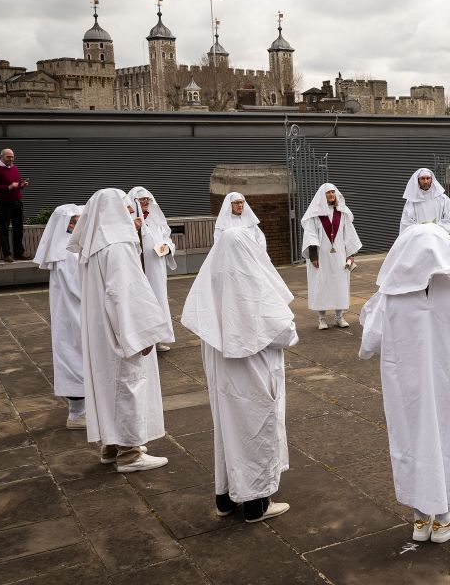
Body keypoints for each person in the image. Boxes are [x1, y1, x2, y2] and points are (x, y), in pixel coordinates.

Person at [359, 224, 450, 544]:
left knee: (410, 443)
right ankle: (442, 518)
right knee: (448, 440)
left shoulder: (389, 297)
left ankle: (419, 519)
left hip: (405, 387)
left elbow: (369, 341)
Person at [181, 227, 297, 523]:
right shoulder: (251, 282)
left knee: (228, 434)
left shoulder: (211, 282)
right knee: (256, 431)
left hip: (224, 378)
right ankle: (257, 502)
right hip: (253, 375)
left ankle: (225, 498)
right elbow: (284, 332)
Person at [68, 189, 174, 473]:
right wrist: (141, 335)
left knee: (106, 385)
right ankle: (130, 452)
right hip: (121, 331)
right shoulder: (119, 246)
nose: (132, 214)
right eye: (128, 209)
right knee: (128, 384)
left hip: (101, 332)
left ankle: (110, 444)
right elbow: (125, 294)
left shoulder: (93, 247)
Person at [33, 204, 86, 429]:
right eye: (78, 219)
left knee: (75, 355)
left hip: (71, 312)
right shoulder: (67, 253)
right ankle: (77, 414)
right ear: (69, 223)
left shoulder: (64, 249)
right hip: (75, 312)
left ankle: (81, 411)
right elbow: (80, 287)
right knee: (76, 357)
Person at [301, 183, 362, 330]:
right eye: (328, 193)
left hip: (339, 255)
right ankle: (322, 319)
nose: (331, 195)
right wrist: (313, 256)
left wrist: (351, 254)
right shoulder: (315, 216)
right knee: (321, 284)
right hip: (321, 256)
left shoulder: (342, 213)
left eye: (333, 193)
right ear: (323, 196)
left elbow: (349, 235)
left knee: (339, 284)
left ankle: (339, 317)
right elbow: (310, 236)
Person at [127, 186, 177, 353]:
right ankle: (143, 340)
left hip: (157, 269)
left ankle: (159, 339)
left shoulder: (156, 220)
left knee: (159, 300)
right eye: (142, 201)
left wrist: (167, 247)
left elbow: (167, 238)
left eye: (147, 200)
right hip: (139, 270)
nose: (146, 203)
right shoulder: (129, 221)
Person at [0, 148, 30, 262]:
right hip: (4, 203)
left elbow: (18, 184)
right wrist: (8, 187)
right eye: (8, 157)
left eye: (12, 156)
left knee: (19, 228)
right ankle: (7, 254)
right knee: (4, 229)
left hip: (17, 201)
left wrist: (22, 185)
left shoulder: (15, 168)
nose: (11, 159)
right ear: (2, 156)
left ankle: (19, 253)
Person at [400, 168, 450, 239]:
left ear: (432, 179)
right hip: (419, 237)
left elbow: (448, 219)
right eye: (422, 178)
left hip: (438, 236)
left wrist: (434, 228)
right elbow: (407, 221)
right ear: (418, 180)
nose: (425, 181)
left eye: (428, 178)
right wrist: (422, 229)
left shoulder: (443, 199)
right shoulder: (411, 201)